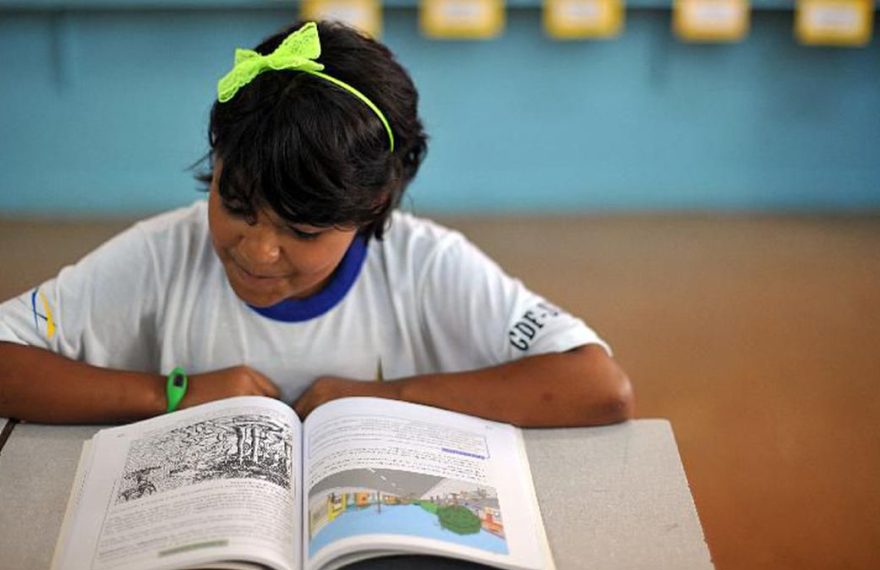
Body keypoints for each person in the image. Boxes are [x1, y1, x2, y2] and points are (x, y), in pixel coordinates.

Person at [0, 20, 632, 426]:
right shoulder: (166, 253)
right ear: (215, 166)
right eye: (237, 206)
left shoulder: (425, 265)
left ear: (372, 209)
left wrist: (386, 398)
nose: (258, 251)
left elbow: (597, 385)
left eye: (302, 232)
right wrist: (171, 394)